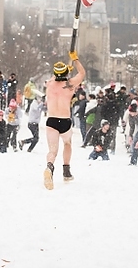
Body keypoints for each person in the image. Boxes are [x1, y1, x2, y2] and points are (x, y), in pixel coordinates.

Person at [43, 51, 86, 190]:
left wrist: (64, 71)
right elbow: (82, 73)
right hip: (65, 120)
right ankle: (66, 170)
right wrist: (75, 60)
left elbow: (55, 77)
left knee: (52, 151)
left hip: (51, 120)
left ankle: (49, 167)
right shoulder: (70, 84)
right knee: (67, 143)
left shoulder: (49, 84)